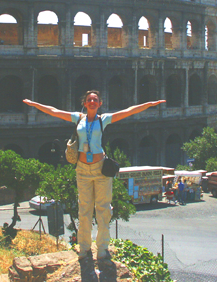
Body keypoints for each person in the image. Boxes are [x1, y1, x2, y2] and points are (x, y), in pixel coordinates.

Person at [23, 91, 165, 261]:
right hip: (82, 169)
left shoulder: (103, 119)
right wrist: (34, 105)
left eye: (95, 100)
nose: (92, 102)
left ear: (99, 104)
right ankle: (84, 248)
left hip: (100, 169)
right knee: (84, 210)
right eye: (89, 99)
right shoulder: (78, 118)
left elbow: (128, 111)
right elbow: (54, 111)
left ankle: (102, 249)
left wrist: (149, 104)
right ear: (85, 102)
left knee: (103, 210)